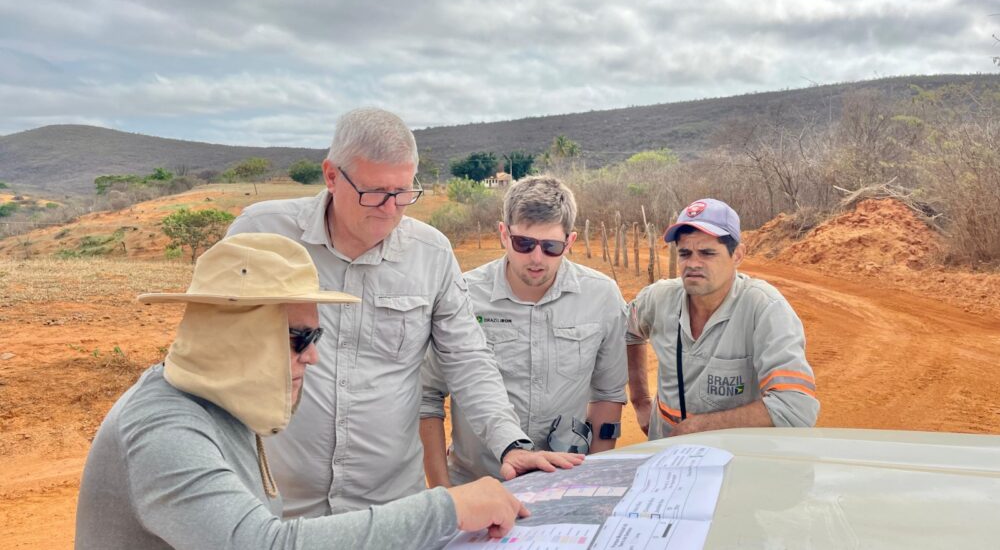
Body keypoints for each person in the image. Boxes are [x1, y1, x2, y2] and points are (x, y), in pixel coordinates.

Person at [225, 108, 580, 517]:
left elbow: (468, 358)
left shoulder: (431, 253)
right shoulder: (260, 235)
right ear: (332, 176)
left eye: (403, 192)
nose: (390, 208)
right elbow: (215, 347)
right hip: (277, 503)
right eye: (375, 192)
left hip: (390, 507)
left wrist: (510, 443)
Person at [75, 233, 530, 549]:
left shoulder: (222, 404)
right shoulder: (163, 428)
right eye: (299, 338)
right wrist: (446, 508)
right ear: (235, 334)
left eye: (317, 337)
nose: (312, 356)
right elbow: (259, 544)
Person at [420, 176, 628, 486]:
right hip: (477, 483)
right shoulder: (462, 296)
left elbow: (608, 396)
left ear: (570, 241)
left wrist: (591, 480)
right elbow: (428, 396)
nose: (536, 258)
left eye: (551, 247)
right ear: (504, 234)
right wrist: (443, 490)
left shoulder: (602, 297)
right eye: (524, 244)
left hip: (563, 482)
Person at [626, 199, 819, 439]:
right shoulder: (659, 298)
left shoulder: (765, 308)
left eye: (707, 253)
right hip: (664, 453)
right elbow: (628, 330)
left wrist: (699, 427)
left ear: (737, 255)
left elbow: (795, 406)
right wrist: (640, 400)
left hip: (736, 456)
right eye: (685, 253)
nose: (693, 263)